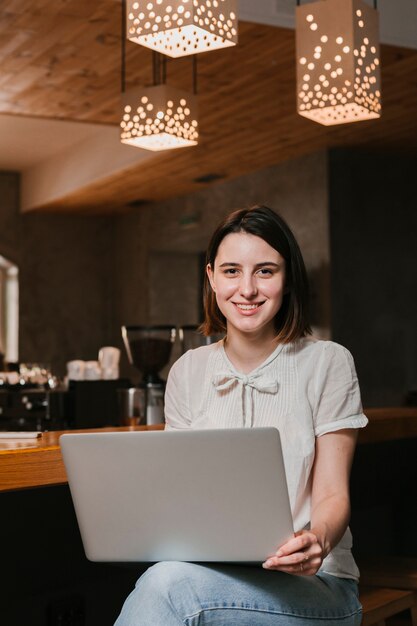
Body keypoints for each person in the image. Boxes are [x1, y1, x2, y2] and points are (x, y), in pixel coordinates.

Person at [115, 205, 368, 626]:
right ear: (211, 277)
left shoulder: (328, 362)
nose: (247, 289)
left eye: (265, 271)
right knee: (170, 583)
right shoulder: (188, 371)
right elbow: (181, 497)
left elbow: (332, 495)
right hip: (213, 577)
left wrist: (316, 541)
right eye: (231, 271)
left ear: (288, 280)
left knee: (168, 589)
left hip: (317, 586)